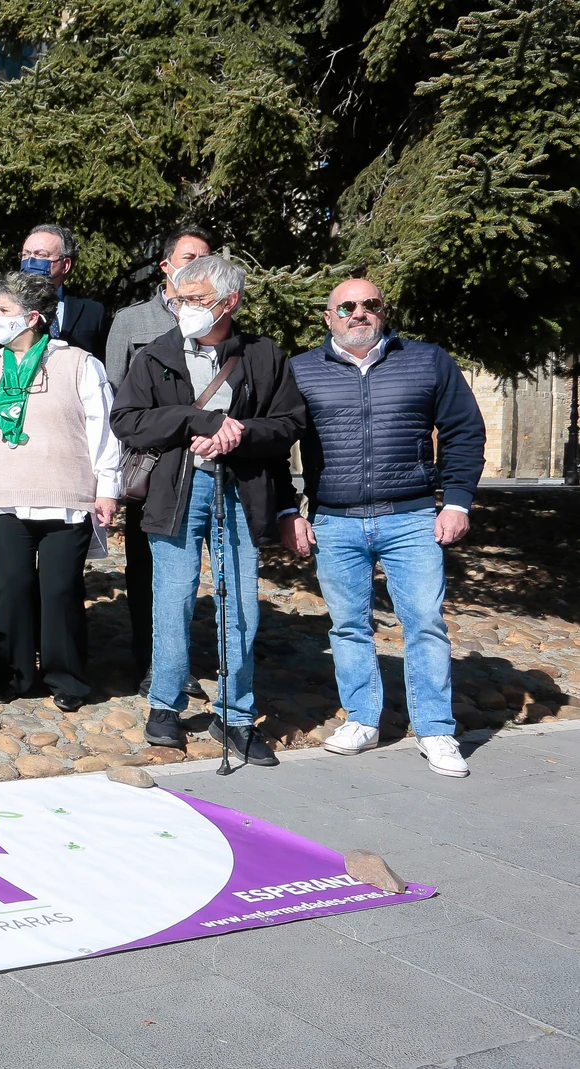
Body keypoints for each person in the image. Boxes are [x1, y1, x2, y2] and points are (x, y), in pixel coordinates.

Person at [281, 279, 487, 778]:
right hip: (335, 519)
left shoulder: (427, 361)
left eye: (369, 305)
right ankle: (362, 719)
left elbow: (464, 430)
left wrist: (456, 502)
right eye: (346, 307)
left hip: (411, 517)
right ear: (328, 317)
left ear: (383, 311)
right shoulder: (301, 371)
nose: (358, 313)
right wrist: (289, 512)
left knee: (426, 624)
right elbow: (273, 445)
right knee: (349, 626)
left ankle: (436, 729)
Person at [109, 254, 305, 766]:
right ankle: (165, 705)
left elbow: (289, 423)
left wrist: (240, 433)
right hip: (174, 494)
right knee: (171, 599)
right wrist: (198, 420)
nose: (183, 309)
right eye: (179, 299)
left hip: (240, 492)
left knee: (239, 604)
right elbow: (128, 420)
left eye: (195, 301)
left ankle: (236, 713)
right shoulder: (156, 355)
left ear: (229, 302)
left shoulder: (264, 356)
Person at [0, 270, 122, 711]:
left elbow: (105, 428)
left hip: (65, 494)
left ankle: (67, 678)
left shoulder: (77, 362)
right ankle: (15, 675)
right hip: (5, 496)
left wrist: (108, 487)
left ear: (33, 317)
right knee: (10, 589)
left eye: (3, 311)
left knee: (59, 591)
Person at [103, 226, 215, 697]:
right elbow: (114, 392)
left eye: (206, 259)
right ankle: (151, 659)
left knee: (199, 570)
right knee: (146, 568)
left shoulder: (218, 318)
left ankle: (181, 659)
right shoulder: (131, 321)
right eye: (189, 257)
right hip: (152, 465)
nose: (197, 265)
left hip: (208, 462)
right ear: (166, 265)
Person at [0, 225, 108, 359]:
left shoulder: (92, 312)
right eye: (25, 254)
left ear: (65, 265)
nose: (30, 262)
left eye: (41, 255)